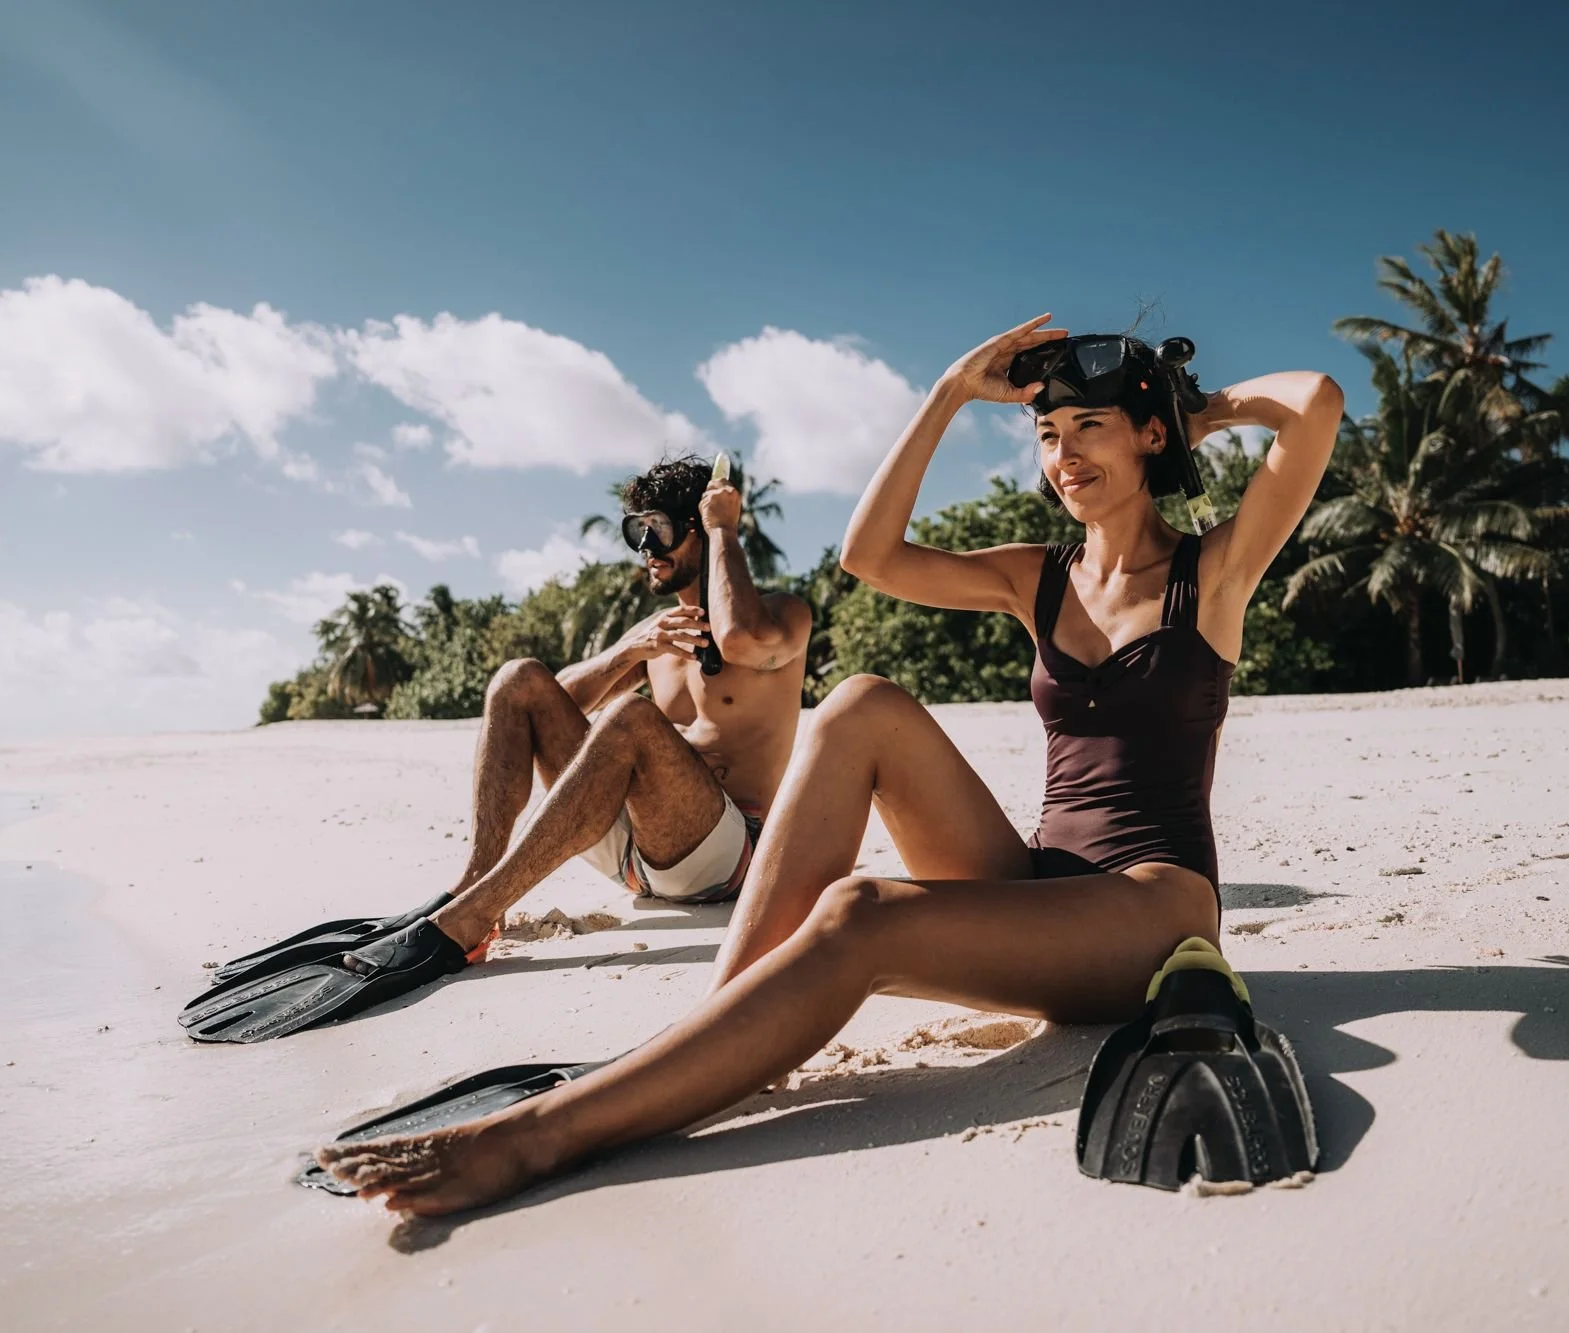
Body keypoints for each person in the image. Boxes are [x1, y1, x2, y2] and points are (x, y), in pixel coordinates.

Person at [316, 316, 1343, 1213]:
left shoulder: (1212, 571)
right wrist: (949, 391)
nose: (1062, 455)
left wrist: (1195, 407)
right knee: (859, 704)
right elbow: (870, 555)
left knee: (858, 911)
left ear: (1148, 434)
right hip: (1039, 880)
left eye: (1089, 426)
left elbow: (1316, 405)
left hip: (1152, 910)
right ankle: (717, 1029)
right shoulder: (1038, 576)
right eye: (1047, 434)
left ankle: (540, 1137)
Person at [419, 455, 813, 954]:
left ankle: (474, 914)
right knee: (517, 679)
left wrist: (723, 530)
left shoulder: (783, 615)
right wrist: (631, 651)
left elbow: (737, 640)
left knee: (630, 716)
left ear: (699, 529)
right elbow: (547, 703)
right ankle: (477, 878)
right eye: (637, 531)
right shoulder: (657, 633)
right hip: (632, 851)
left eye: (660, 530)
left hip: (724, 860)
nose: (647, 548)